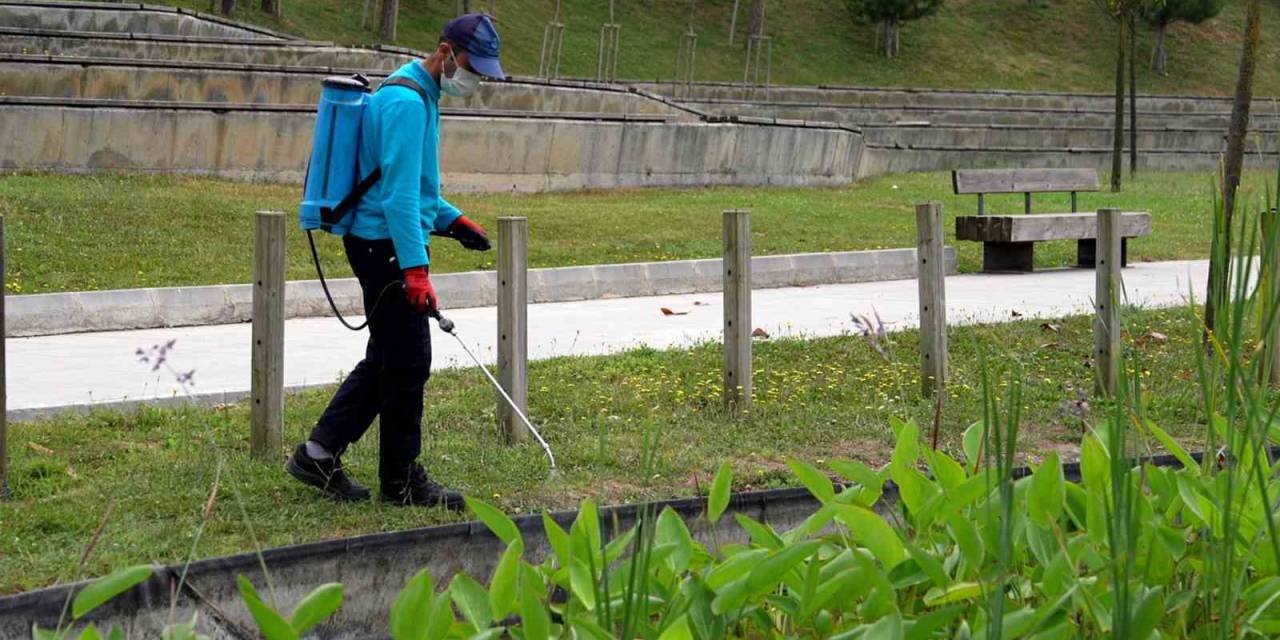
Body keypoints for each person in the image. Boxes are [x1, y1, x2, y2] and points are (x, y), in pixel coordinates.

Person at [286, 14, 505, 509]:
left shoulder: (419, 94)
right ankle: (402, 482)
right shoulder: (407, 103)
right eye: (474, 65)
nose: (478, 78)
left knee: (388, 358)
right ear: (446, 51)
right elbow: (400, 198)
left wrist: (453, 220)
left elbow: (412, 185)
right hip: (383, 246)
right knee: (409, 364)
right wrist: (415, 270)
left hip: (381, 241)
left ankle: (318, 453)